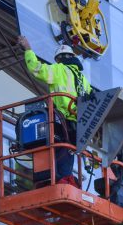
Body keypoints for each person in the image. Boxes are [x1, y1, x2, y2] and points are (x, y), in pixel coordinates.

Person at [18, 35, 91, 186]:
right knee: (68, 150)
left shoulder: (59, 70)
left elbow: (37, 69)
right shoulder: (84, 80)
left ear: (59, 59)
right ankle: (64, 181)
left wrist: (28, 50)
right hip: (80, 125)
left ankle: (57, 181)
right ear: (72, 57)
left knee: (56, 147)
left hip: (62, 119)